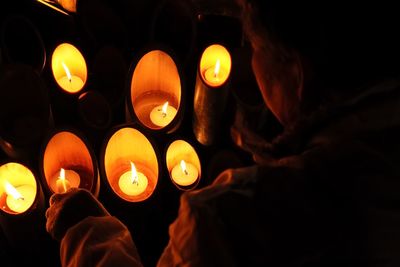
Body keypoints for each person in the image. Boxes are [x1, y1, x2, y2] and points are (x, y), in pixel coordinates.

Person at [45, 0, 400, 266]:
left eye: (254, 48)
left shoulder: (225, 221)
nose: (249, 62)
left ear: (296, 72)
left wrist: (86, 229)